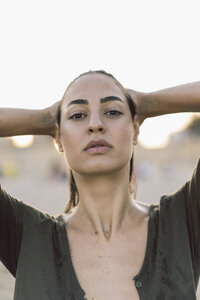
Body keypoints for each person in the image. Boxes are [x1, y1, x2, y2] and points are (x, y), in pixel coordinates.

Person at [0, 70, 200, 300]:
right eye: (77, 116)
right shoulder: (27, 235)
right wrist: (46, 118)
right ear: (58, 138)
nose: (95, 124)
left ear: (135, 129)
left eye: (113, 112)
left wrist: (147, 102)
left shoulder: (183, 220)